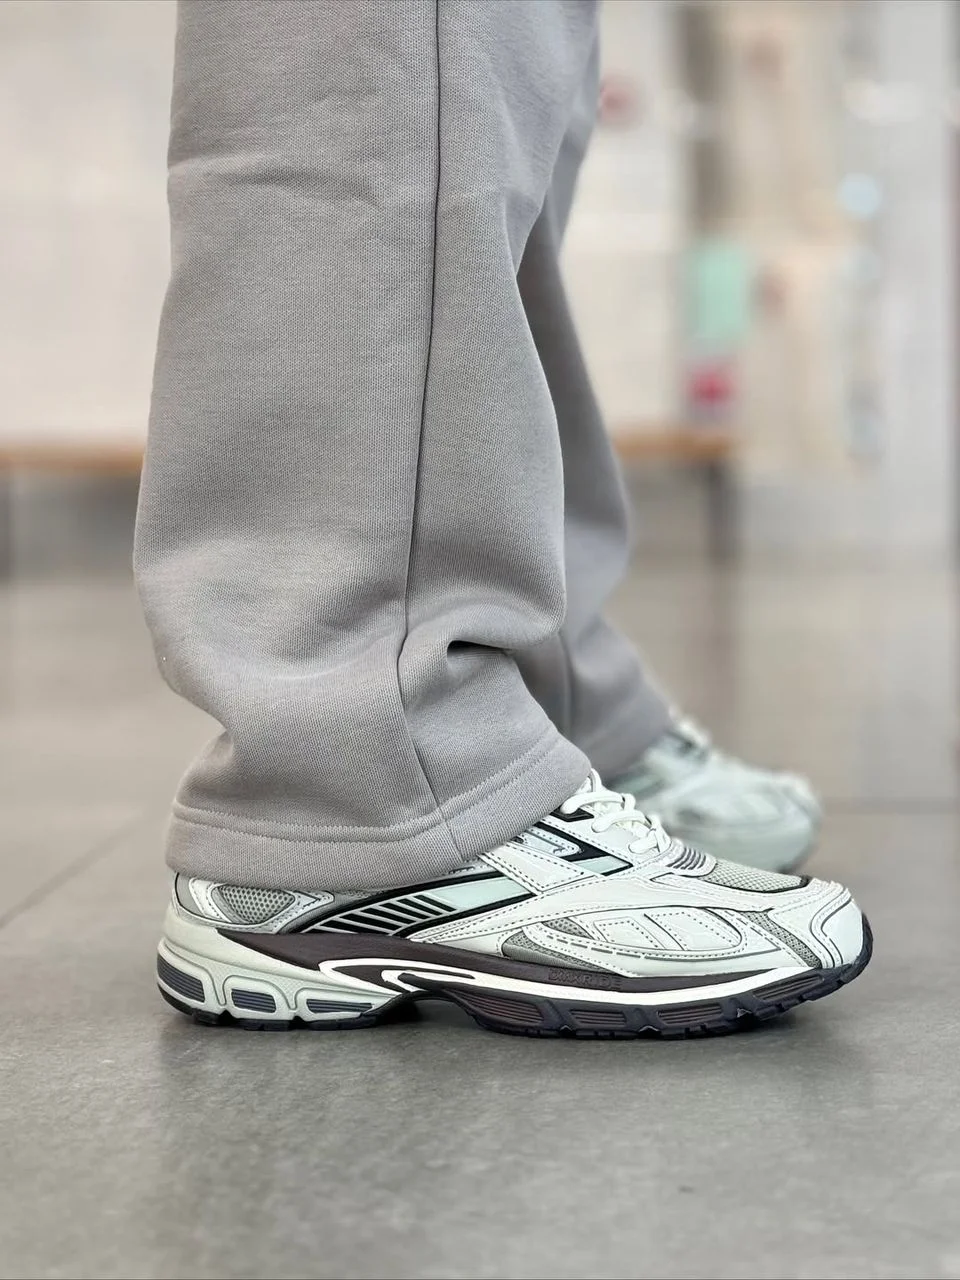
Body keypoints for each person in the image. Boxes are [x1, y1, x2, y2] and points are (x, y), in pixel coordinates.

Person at [138, 0, 870, 1038]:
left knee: (487, 117)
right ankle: (361, 783)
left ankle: (520, 700)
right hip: (375, 784)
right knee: (387, 65)